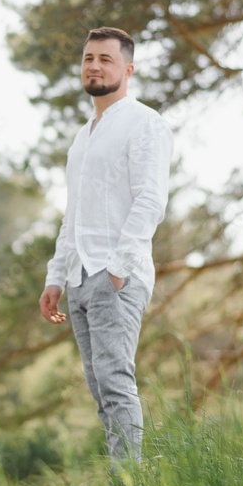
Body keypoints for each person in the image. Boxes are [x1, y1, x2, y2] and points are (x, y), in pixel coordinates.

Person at [39, 27, 173, 462]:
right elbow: (72, 213)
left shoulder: (144, 122)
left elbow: (151, 198)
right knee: (100, 389)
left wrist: (119, 267)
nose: (94, 66)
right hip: (79, 277)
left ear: (127, 70)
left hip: (115, 276)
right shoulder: (83, 137)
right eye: (88, 58)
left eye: (106, 59)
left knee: (116, 383)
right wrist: (56, 276)